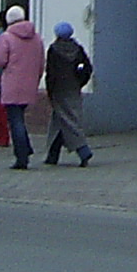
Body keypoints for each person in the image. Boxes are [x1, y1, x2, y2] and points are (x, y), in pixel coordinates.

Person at [0, 4, 45, 170]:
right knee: (19, 116)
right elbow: (41, 62)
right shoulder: (36, 37)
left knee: (15, 120)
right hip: (30, 84)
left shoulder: (7, 37)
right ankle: (26, 148)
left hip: (12, 84)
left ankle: (22, 156)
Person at [42, 21, 95, 167]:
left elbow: (50, 73)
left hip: (59, 89)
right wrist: (80, 81)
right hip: (73, 88)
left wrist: (50, 90)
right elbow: (87, 68)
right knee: (60, 120)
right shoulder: (77, 49)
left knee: (68, 121)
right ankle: (52, 155)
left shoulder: (54, 50)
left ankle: (83, 150)